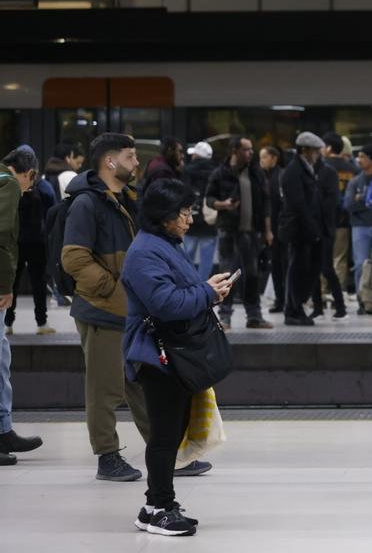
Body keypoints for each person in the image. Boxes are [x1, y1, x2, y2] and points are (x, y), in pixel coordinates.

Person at [121, 178, 236, 536]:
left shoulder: (166, 244)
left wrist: (208, 290)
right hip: (157, 355)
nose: (189, 219)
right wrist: (207, 293)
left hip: (173, 351)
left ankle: (158, 504)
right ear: (162, 216)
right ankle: (157, 507)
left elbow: (181, 291)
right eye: (183, 213)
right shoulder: (144, 253)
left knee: (172, 431)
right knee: (164, 434)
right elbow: (167, 304)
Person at [60, 134, 154, 481]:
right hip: (101, 310)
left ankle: (165, 450)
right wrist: (113, 291)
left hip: (129, 312)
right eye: (130, 156)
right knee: (104, 389)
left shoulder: (125, 199)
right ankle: (107, 456)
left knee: (142, 385)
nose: (136, 162)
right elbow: (74, 258)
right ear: (110, 162)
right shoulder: (87, 204)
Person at [0, 146, 46, 466]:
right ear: (28, 174)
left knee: (2, 354)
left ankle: (3, 428)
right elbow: (2, 234)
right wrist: (5, 285)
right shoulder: (9, 184)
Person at [204, 136, 273, 330]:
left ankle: (254, 316)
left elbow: (265, 203)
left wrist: (267, 230)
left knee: (252, 274)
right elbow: (209, 198)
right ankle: (224, 316)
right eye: (246, 149)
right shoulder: (220, 173)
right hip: (229, 230)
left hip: (251, 232)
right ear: (235, 151)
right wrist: (223, 204)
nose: (251, 153)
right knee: (227, 274)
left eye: (251, 149)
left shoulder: (256, 173)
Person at [5, 146, 55, 334]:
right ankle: (41, 323)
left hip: (15, 242)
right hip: (37, 242)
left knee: (12, 284)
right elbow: (52, 212)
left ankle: (8, 323)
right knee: (38, 283)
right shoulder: (43, 187)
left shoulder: (10, 186)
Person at [279, 133, 326, 327]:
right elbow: (298, 204)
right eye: (315, 151)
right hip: (298, 230)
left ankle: (297, 306)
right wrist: (312, 228)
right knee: (297, 270)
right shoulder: (294, 171)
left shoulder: (307, 169)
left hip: (307, 229)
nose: (317, 155)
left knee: (308, 269)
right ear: (304, 150)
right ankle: (293, 310)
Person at [345, 144, 372, 307]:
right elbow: (349, 205)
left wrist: (361, 198)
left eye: (363, 156)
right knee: (359, 264)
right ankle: (362, 300)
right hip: (359, 227)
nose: (359, 160)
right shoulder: (355, 181)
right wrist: (370, 200)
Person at [321, 133, 357, 305]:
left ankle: (322, 292)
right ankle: (338, 292)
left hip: (323, 219)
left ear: (328, 147)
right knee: (340, 258)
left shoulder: (321, 167)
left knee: (321, 257)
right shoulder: (351, 169)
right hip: (344, 219)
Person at [314, 148, 348, 321]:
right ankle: (318, 308)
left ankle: (340, 306)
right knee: (316, 269)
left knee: (327, 268)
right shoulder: (310, 171)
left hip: (326, 228)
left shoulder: (327, 172)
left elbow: (332, 202)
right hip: (315, 227)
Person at [181, 141, 218, 281]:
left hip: (191, 219)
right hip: (210, 220)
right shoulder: (216, 171)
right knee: (207, 258)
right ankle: (203, 285)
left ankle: (188, 283)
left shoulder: (188, 170)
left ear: (197, 155)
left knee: (186, 256)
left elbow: (183, 193)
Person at [259, 145, 287, 311]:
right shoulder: (264, 176)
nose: (261, 161)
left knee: (282, 265)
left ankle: (284, 299)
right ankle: (279, 299)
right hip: (270, 228)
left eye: (264, 157)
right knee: (275, 265)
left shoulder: (280, 176)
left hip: (280, 228)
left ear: (274, 158)